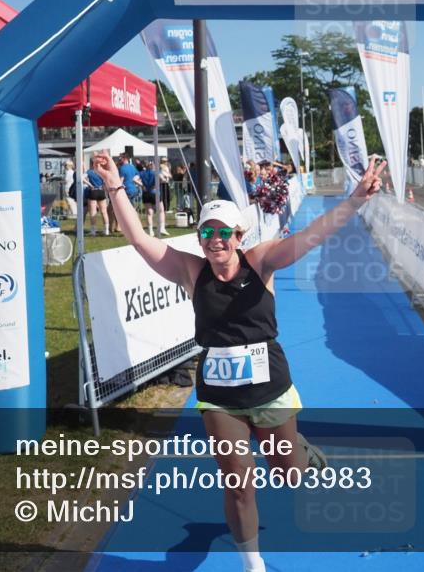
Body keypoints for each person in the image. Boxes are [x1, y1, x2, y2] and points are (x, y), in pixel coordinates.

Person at [92, 150, 387, 572]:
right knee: (239, 487)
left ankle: (304, 454)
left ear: (238, 234)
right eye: (206, 232)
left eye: (223, 232)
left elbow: (312, 237)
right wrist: (114, 186)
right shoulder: (192, 272)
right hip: (219, 399)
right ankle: (253, 563)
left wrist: (356, 198)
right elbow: (140, 239)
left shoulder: (261, 260)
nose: (215, 240)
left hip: (270, 390)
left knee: (290, 475)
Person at [86, 157, 110, 236]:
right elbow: (106, 180)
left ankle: (93, 231)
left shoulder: (89, 171)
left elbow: (82, 177)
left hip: (93, 191)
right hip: (101, 191)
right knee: (104, 212)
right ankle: (106, 230)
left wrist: (90, 185)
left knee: (93, 212)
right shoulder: (101, 172)